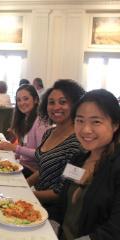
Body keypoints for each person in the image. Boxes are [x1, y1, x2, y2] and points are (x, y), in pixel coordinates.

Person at [58, 89, 120, 240]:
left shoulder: (116, 167)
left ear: (115, 125)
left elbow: (114, 231)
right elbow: (61, 203)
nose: (86, 129)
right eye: (80, 120)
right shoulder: (77, 159)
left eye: (96, 121)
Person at [27, 79, 85, 206]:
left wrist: (25, 194)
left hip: (53, 210)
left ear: (75, 104)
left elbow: (62, 192)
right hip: (36, 199)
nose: (56, 107)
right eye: (51, 102)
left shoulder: (77, 143)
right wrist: (24, 184)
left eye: (63, 102)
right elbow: (44, 168)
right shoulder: (49, 132)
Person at [0, 84, 49, 177]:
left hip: (33, 172)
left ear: (36, 100)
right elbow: (25, 148)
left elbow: (40, 154)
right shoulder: (25, 119)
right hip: (22, 165)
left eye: (26, 99)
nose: (22, 103)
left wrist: (14, 147)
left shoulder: (41, 122)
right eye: (19, 100)